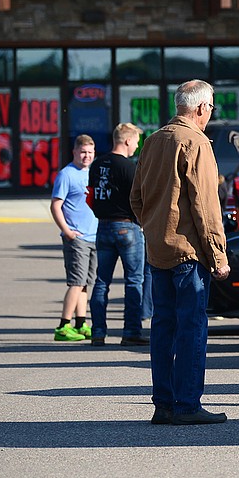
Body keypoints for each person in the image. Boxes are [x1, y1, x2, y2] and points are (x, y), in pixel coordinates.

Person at [130, 80, 229, 426]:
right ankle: (187, 404)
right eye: (211, 108)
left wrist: (155, 228)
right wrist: (218, 256)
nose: (210, 114)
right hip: (189, 253)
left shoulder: (153, 140)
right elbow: (205, 205)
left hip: (159, 250)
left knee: (163, 328)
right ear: (201, 108)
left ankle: (164, 404)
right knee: (191, 328)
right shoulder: (196, 141)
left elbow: (136, 199)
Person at [88, 122, 148, 347]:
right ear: (127, 141)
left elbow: (91, 195)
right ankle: (131, 330)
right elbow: (138, 198)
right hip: (127, 226)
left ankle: (98, 332)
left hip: (103, 226)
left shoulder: (96, 165)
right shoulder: (128, 167)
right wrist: (142, 221)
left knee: (101, 281)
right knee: (134, 281)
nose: (136, 146)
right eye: (135, 142)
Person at [50, 134, 98, 342]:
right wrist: (67, 231)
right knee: (76, 282)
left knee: (87, 282)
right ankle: (63, 326)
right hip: (76, 237)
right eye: (83, 152)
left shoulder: (91, 172)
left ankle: (81, 323)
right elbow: (55, 205)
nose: (86, 156)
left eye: (90, 152)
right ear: (74, 152)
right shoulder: (66, 175)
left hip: (93, 236)